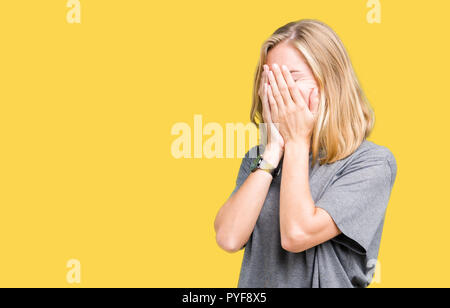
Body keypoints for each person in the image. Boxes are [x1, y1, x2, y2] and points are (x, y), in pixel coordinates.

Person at [213, 19, 398, 288]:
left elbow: (297, 234)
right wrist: (273, 151)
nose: (278, 91)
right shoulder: (260, 158)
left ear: (330, 82)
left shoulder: (371, 163)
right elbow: (228, 238)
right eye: (270, 79)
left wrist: (298, 141)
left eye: (291, 78)